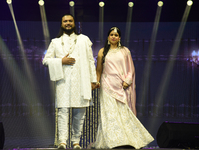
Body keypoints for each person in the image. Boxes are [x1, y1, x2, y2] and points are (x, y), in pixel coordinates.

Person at [42, 14, 97, 149]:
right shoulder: (55, 42)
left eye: (70, 21)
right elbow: (45, 60)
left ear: (74, 23)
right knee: (63, 112)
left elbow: (90, 60)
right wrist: (61, 61)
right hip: (63, 81)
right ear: (61, 24)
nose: (68, 23)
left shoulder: (84, 39)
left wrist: (93, 80)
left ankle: (76, 141)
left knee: (80, 112)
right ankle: (62, 142)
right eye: (65, 21)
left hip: (81, 80)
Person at [94, 27, 154, 149]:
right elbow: (98, 70)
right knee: (109, 113)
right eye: (111, 34)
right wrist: (96, 82)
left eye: (116, 35)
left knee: (124, 113)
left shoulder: (125, 51)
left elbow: (131, 68)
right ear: (108, 37)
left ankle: (129, 140)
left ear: (120, 37)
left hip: (121, 86)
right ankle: (113, 141)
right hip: (106, 86)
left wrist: (128, 80)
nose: (113, 37)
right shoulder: (102, 51)